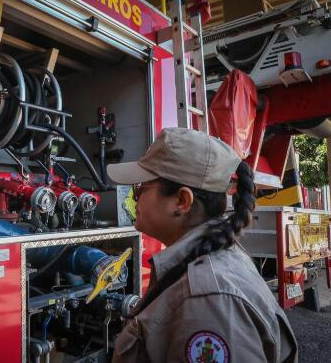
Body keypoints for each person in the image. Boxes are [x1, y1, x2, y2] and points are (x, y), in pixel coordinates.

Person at [107, 127, 298, 363]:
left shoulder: (207, 302)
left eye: (141, 189)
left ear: (181, 201)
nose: (134, 198)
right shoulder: (212, 265)